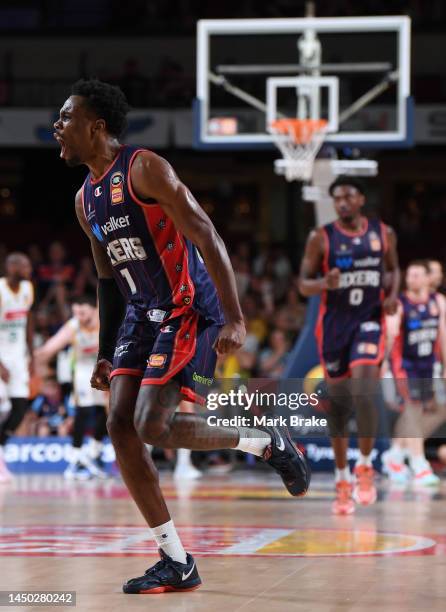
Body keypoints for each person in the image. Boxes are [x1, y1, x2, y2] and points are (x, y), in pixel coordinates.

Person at [54, 78, 310, 594]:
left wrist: (235, 317)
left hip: (188, 307)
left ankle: (263, 441)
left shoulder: (145, 167)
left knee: (152, 423)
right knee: (119, 425)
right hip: (140, 314)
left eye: (66, 117)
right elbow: (108, 279)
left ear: (96, 125)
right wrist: (106, 353)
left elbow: (207, 235)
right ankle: (176, 560)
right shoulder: (86, 201)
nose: (57, 126)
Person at [299, 176, 400, 515]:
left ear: (360, 200)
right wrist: (321, 283)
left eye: (347, 197)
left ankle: (366, 466)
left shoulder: (383, 233)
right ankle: (343, 479)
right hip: (334, 327)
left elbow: (393, 269)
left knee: (365, 387)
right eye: (337, 198)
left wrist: (393, 296)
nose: (342, 203)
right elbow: (302, 284)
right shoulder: (321, 237)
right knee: (339, 406)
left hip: (369, 321)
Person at [383, 261, 445, 486]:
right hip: (404, 367)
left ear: (427, 279)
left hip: (428, 368)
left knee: (434, 410)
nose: (412, 280)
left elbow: (444, 336)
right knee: (412, 410)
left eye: (417, 275)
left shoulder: (437, 302)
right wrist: (382, 365)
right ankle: (419, 465)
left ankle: (395, 454)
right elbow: (389, 334)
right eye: (409, 276)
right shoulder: (400, 304)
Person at [35, 294, 109, 480]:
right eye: (75, 312)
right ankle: (77, 456)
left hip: (105, 368)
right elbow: (50, 348)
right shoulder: (74, 326)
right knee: (83, 411)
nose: (79, 316)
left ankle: (91, 454)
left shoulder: (105, 321)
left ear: (93, 310)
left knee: (106, 412)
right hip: (83, 371)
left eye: (82, 312)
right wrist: (33, 358)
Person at [0, 253, 34, 483]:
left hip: (18, 356)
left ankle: (0, 446)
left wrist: (31, 354)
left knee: (20, 407)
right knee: (2, 406)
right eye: (25, 265)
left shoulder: (27, 288)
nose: (29, 269)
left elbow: (29, 319)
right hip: (1, 355)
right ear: (11, 266)